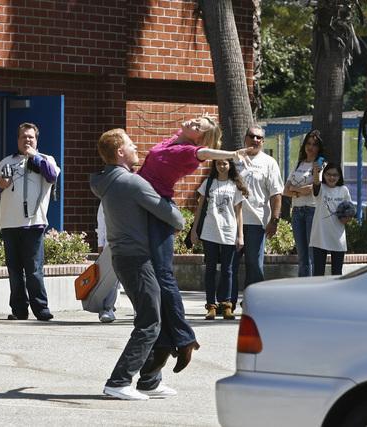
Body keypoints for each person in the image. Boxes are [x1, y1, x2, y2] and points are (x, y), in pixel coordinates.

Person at [137, 115, 251, 372]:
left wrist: (232, 154)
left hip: (158, 211)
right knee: (153, 278)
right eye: (197, 119)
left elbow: (204, 153)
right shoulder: (170, 140)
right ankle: (166, 341)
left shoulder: (190, 151)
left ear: (202, 138)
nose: (195, 123)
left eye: (201, 127)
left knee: (162, 275)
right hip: (145, 208)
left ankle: (184, 338)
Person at [91, 128, 185, 401]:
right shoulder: (132, 183)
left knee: (151, 316)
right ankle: (118, 381)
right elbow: (175, 219)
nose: (137, 149)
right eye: (131, 145)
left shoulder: (107, 181)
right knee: (149, 321)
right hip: (138, 259)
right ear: (120, 152)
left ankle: (150, 380)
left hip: (124, 257)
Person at [0, 122, 60, 321]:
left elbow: (52, 176)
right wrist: (0, 184)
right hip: (9, 224)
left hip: (34, 224)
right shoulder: (7, 161)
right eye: (23, 137)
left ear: (36, 140)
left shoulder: (46, 159)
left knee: (34, 270)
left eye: (31, 137)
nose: (27, 140)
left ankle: (41, 310)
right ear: (17, 139)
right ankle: (19, 310)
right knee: (15, 271)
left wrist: (33, 155)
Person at [232, 125, 284, 311]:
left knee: (254, 264)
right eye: (252, 136)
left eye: (259, 138)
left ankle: (253, 302)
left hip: (256, 222)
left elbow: (276, 194)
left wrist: (274, 220)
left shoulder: (269, 162)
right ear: (245, 138)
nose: (255, 140)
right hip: (232, 221)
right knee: (231, 264)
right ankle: (227, 303)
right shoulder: (235, 159)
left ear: (263, 141)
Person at [190, 159, 247, 320]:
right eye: (218, 164)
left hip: (229, 231)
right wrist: (194, 230)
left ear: (230, 166)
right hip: (209, 232)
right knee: (210, 269)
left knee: (228, 270)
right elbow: (200, 208)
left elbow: (239, 213)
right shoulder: (209, 183)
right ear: (214, 166)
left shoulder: (234, 185)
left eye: (225, 164)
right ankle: (211, 305)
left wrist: (240, 236)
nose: (222, 167)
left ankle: (227, 305)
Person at [283, 130, 326, 277]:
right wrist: (297, 191)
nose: (311, 147)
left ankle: (313, 287)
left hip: (312, 211)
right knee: (302, 255)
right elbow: (285, 190)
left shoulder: (320, 165)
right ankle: (303, 285)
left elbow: (313, 188)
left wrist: (295, 190)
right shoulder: (299, 164)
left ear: (319, 147)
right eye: (308, 143)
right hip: (297, 211)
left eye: (314, 144)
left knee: (312, 254)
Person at [310, 162, 352, 276]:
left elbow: (349, 211)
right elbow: (316, 184)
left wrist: (347, 218)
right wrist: (316, 171)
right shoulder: (320, 188)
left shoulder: (344, 190)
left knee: (337, 273)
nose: (331, 177)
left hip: (338, 237)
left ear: (340, 176)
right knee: (318, 273)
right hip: (320, 236)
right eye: (328, 174)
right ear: (324, 175)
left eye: (335, 175)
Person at [95, 203, 120, 323]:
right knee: (111, 279)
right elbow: (101, 221)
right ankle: (107, 308)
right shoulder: (107, 196)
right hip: (111, 245)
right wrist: (100, 244)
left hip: (131, 244)